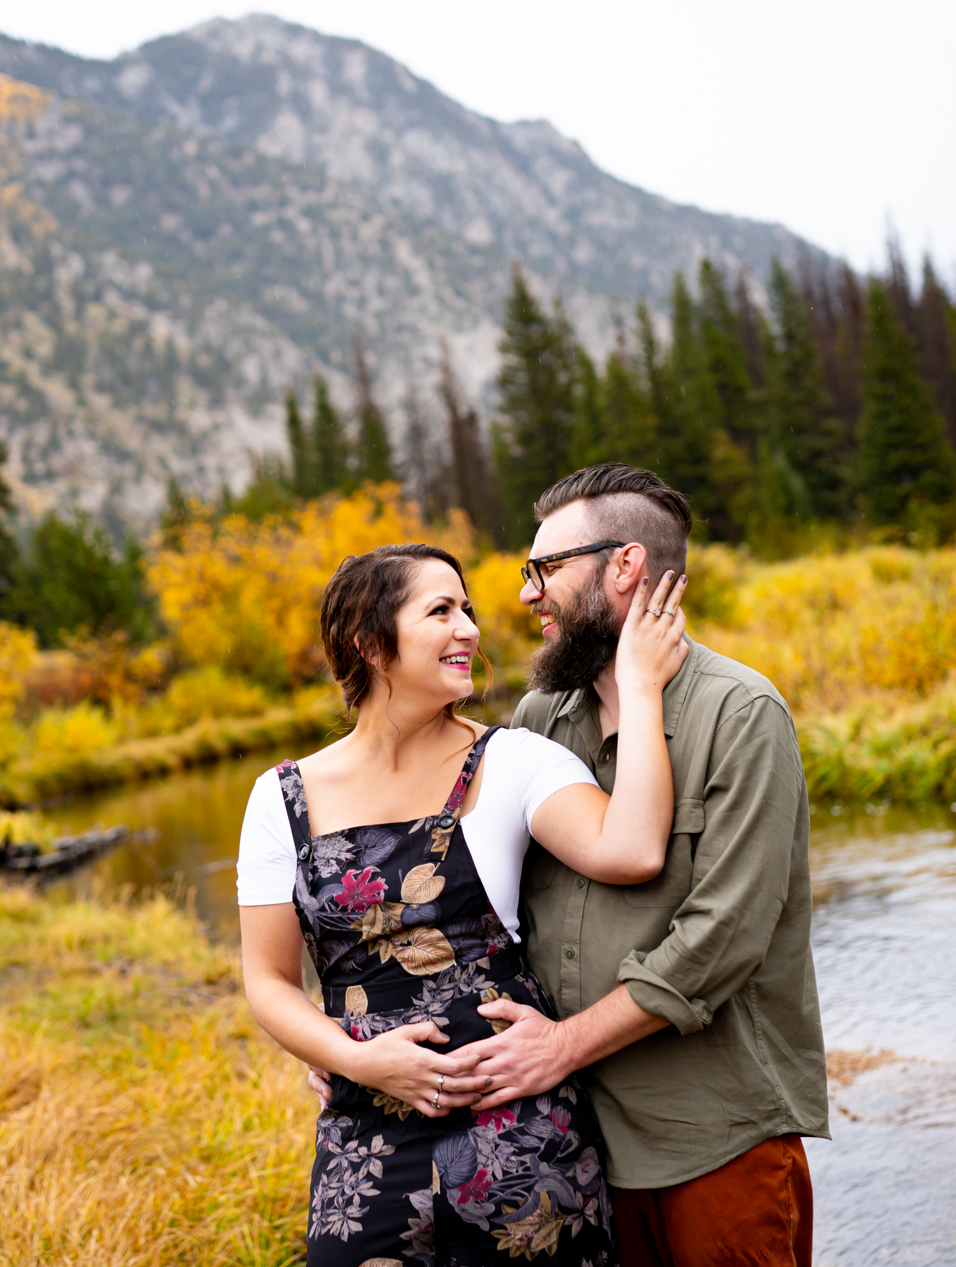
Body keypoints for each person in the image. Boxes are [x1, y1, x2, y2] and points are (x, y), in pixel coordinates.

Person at [238, 541, 689, 1265]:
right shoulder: (280, 799)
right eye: (441, 610)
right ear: (370, 643)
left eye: (468, 608)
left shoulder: (511, 760)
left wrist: (640, 690)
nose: (470, 629)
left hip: (521, 1137)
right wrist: (358, 1060)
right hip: (365, 1145)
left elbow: (633, 848)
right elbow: (267, 981)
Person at [458, 464, 829, 1267]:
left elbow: (722, 937)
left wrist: (562, 1044)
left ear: (623, 565)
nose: (527, 594)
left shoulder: (741, 713)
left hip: (715, 1140)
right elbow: (480, 909)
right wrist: (355, 1050)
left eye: (544, 569)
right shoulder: (537, 719)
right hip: (574, 1150)